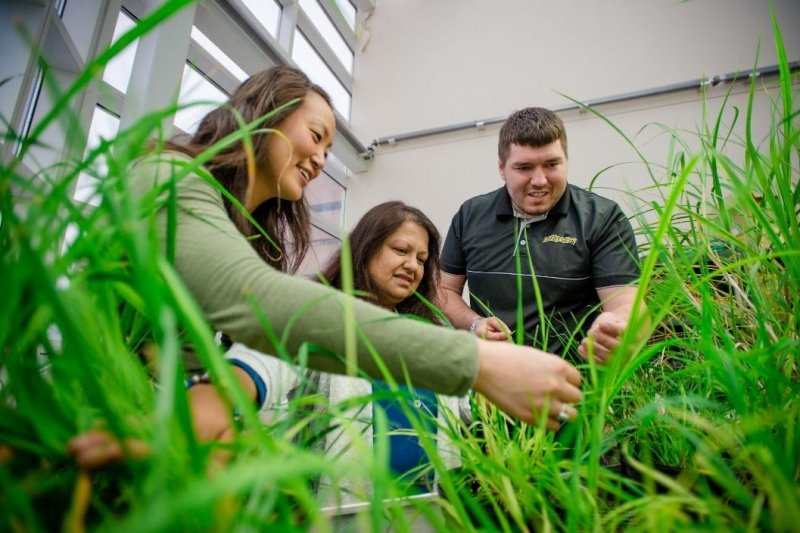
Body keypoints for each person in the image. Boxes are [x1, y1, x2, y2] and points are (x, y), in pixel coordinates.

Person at [69, 69, 582, 469]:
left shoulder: (242, 231)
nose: (320, 157)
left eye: (423, 258)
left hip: (138, 435)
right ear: (264, 114)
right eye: (315, 135)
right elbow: (261, 309)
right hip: (78, 419)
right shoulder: (168, 177)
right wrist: (477, 362)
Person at [437, 107, 643, 363]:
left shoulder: (602, 217)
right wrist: (474, 323)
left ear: (565, 160)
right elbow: (443, 290)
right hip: (492, 383)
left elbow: (628, 304)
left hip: (573, 387)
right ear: (502, 168)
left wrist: (616, 328)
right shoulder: (470, 215)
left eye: (551, 164)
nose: (540, 180)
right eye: (524, 167)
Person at [311, 201, 466, 501]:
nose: (413, 266)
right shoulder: (321, 318)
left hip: (430, 508)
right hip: (350, 511)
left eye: (421, 259)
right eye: (401, 250)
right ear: (366, 248)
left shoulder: (431, 333)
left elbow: (465, 408)